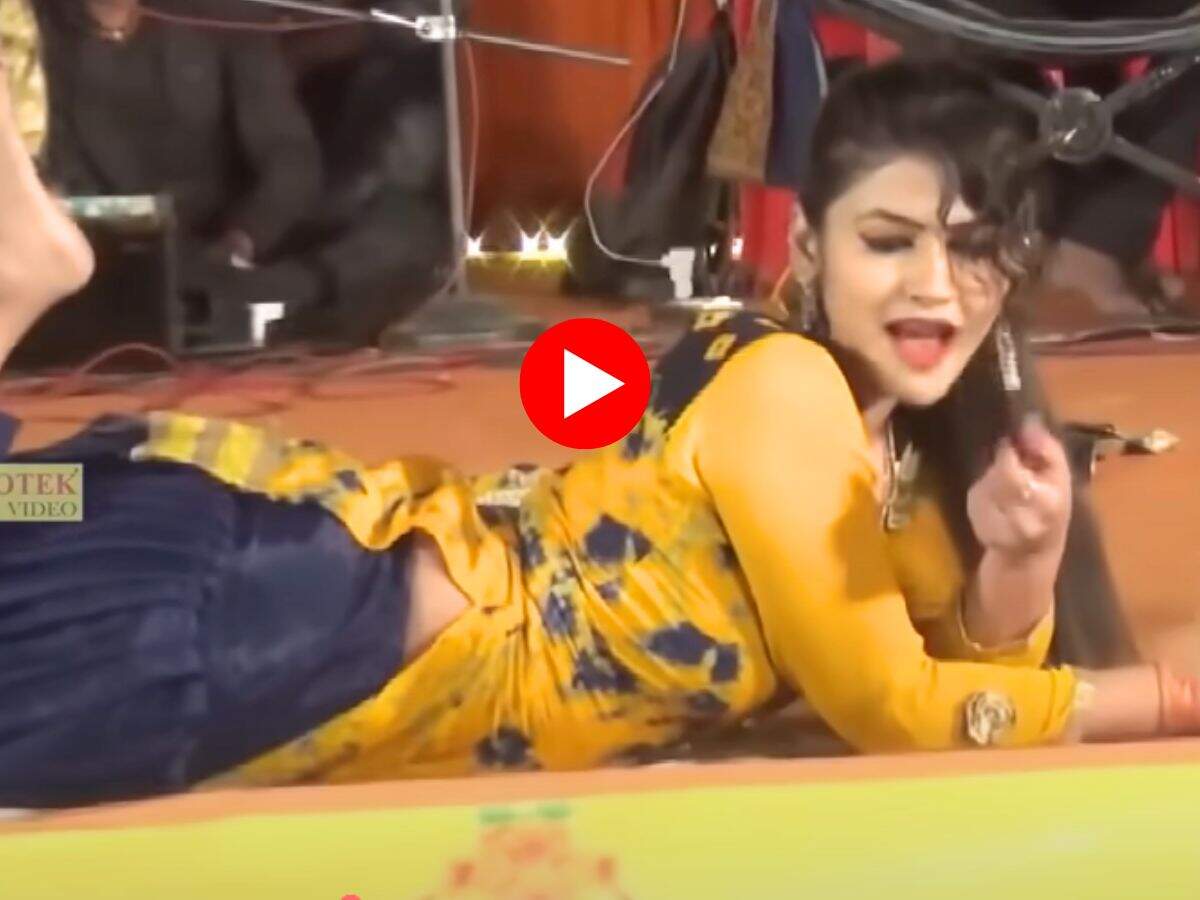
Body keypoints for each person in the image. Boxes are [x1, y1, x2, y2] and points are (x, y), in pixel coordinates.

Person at [1, 58, 1198, 810]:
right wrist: (1166, 695)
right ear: (809, 249)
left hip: (255, 552)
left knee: (19, 494)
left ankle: (16, 279)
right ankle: (18, 280)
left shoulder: (906, 446)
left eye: (975, 249)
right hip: (268, 617)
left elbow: (975, 698)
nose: (934, 284)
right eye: (889, 243)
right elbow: (900, 707)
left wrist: (1023, 563)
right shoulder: (782, 389)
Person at [33, 0, 321, 334]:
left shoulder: (220, 15)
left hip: (211, 260)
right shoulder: (28, 26)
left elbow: (289, 157)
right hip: (77, 263)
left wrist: (242, 240)